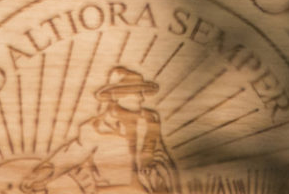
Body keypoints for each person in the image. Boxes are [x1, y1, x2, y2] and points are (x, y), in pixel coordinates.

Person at [21, 66, 180, 194]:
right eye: (136, 92)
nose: (142, 98)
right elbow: (69, 156)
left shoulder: (149, 121)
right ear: (116, 95)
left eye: (141, 92)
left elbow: (162, 158)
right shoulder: (95, 128)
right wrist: (41, 175)